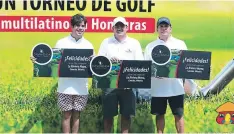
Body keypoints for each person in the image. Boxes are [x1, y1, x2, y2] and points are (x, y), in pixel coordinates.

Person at [31, 13, 94, 133]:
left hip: (81, 87)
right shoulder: (61, 42)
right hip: (64, 87)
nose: (80, 28)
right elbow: (52, 62)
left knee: (77, 116)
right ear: (72, 26)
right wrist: (37, 60)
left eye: (82, 26)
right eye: (77, 25)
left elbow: (93, 65)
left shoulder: (88, 45)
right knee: (66, 115)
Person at [97, 16, 144, 133]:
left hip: (128, 85)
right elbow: (99, 62)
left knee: (126, 115)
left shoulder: (134, 43)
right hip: (109, 84)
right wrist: (109, 60)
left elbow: (140, 63)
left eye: (122, 26)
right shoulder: (106, 42)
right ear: (113, 28)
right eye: (116, 26)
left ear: (126, 27)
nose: (119, 28)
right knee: (108, 115)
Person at [144, 17, 188, 133]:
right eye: (161, 26)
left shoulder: (180, 44)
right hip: (158, 88)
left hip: (176, 87)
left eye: (166, 26)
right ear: (157, 29)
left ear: (170, 29)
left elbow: (186, 64)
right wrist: (154, 73)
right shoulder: (150, 46)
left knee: (178, 115)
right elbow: (146, 67)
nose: (163, 28)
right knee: (159, 115)